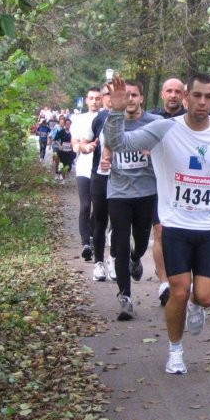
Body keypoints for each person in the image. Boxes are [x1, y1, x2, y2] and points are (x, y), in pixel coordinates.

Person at [104, 73, 210, 375]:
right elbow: (119, 143)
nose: (203, 102)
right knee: (178, 291)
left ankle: (196, 307)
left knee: (206, 296)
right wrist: (116, 112)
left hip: (208, 226)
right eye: (197, 96)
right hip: (175, 224)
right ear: (185, 98)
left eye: (209, 97)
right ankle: (175, 350)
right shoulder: (165, 129)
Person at [100, 80, 161, 318]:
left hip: (147, 191)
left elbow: (168, 151)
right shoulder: (112, 122)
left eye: (134, 95)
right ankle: (124, 296)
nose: (130, 99)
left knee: (142, 239)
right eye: (125, 96)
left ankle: (137, 258)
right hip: (119, 191)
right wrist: (106, 160)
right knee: (121, 243)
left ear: (141, 98)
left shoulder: (154, 124)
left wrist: (153, 153)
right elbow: (108, 149)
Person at [149, 77, 186, 305]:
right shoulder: (152, 119)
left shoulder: (190, 120)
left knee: (182, 235)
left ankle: (181, 281)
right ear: (162, 94)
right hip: (157, 184)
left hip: (185, 185)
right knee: (160, 232)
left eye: (177, 91)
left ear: (184, 95)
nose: (173, 95)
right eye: (169, 91)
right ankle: (164, 283)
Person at [82, 83, 115, 282]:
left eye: (114, 94)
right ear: (102, 98)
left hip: (122, 179)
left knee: (119, 223)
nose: (110, 98)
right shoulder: (99, 119)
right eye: (106, 95)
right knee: (100, 221)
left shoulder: (130, 118)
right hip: (100, 176)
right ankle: (98, 263)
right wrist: (89, 146)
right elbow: (85, 142)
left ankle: (114, 259)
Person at [71, 87, 102, 261]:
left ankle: (91, 236)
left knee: (98, 209)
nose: (94, 101)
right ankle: (85, 244)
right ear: (86, 100)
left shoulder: (106, 117)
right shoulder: (79, 119)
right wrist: (84, 147)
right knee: (84, 206)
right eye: (91, 98)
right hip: (83, 167)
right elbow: (75, 143)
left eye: (97, 98)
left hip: (101, 169)